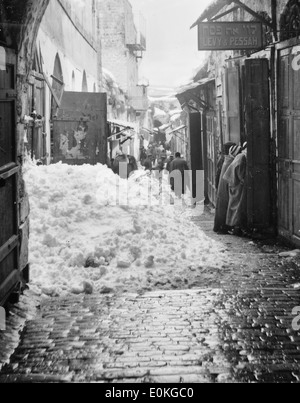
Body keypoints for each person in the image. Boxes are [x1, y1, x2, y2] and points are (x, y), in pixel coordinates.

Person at [213, 144, 240, 234]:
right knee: (225, 208)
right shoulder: (230, 161)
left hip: (222, 188)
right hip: (225, 189)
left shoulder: (226, 160)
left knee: (222, 207)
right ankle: (223, 227)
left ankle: (220, 226)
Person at [223, 142, 248, 236]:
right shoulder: (242, 157)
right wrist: (243, 180)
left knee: (233, 206)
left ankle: (233, 226)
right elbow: (240, 172)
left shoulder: (239, 156)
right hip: (237, 184)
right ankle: (236, 227)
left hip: (233, 183)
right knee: (237, 206)